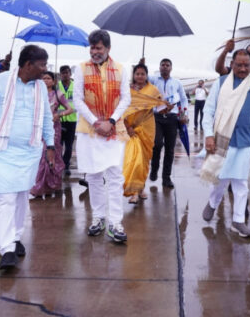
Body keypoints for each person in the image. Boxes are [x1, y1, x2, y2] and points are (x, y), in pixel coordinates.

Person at [0, 45, 55, 270]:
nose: (45, 70)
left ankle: (15, 237)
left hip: (30, 151)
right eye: (41, 65)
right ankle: (6, 250)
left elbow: (45, 117)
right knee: (6, 198)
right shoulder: (0, 82)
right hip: (2, 151)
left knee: (22, 195)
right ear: (27, 65)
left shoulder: (40, 88)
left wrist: (50, 144)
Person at [200, 49, 250, 238]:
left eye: (246, 65)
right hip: (222, 139)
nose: (242, 68)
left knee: (241, 183)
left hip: (244, 141)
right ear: (232, 65)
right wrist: (208, 135)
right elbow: (208, 111)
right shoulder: (221, 83)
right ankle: (213, 203)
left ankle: (238, 220)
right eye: (238, 64)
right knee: (220, 179)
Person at [73, 29, 131, 243]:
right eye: (92, 47)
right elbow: (77, 99)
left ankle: (116, 222)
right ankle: (98, 218)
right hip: (90, 131)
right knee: (94, 176)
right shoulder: (81, 69)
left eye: (98, 48)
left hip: (115, 130)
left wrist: (112, 122)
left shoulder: (121, 69)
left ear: (108, 48)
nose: (94, 52)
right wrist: (96, 122)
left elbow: (126, 99)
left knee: (116, 176)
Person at [142, 57, 189, 188]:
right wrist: (141, 66)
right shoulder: (153, 80)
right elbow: (141, 77)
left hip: (172, 118)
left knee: (170, 148)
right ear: (159, 67)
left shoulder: (177, 82)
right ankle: (154, 168)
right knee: (156, 144)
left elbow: (184, 99)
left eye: (167, 65)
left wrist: (184, 114)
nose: (165, 67)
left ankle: (166, 178)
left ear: (171, 68)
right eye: (162, 65)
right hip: (156, 117)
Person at [122, 64, 166, 203]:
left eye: (142, 74)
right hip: (131, 128)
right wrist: (127, 127)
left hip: (147, 127)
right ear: (133, 75)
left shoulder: (153, 90)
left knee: (145, 160)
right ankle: (134, 192)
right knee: (135, 159)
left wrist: (167, 107)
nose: (140, 76)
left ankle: (141, 188)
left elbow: (161, 109)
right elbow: (121, 111)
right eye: (137, 74)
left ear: (146, 75)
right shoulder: (127, 91)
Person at [30, 71, 73, 198]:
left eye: (48, 78)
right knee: (40, 156)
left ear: (53, 81)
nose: (45, 81)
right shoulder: (36, 94)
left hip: (54, 128)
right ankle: (39, 186)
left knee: (52, 155)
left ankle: (52, 185)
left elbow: (70, 109)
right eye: (43, 78)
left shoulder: (57, 94)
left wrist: (58, 115)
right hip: (39, 128)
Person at [58, 65, 77, 177]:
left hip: (71, 119)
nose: (65, 75)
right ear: (60, 74)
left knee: (69, 145)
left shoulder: (75, 86)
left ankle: (66, 165)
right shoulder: (57, 86)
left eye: (67, 72)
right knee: (59, 145)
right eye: (63, 73)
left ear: (70, 73)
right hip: (59, 119)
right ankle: (59, 164)